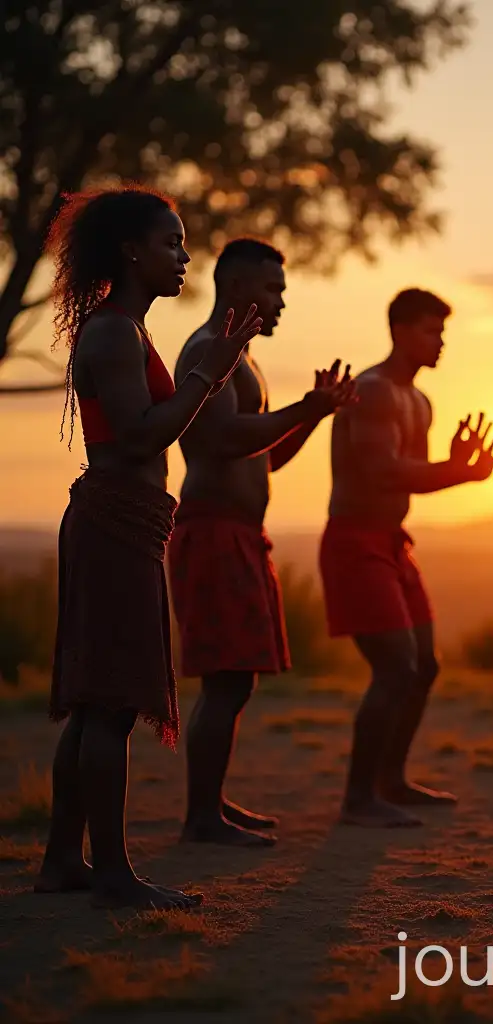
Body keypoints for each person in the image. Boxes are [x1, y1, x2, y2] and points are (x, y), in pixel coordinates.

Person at [35, 185, 264, 910]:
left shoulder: (127, 331)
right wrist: (211, 374)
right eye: (172, 243)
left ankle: (63, 862)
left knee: (97, 704)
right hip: (114, 524)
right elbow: (140, 435)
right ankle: (110, 872)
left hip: (127, 522)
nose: (184, 257)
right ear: (131, 251)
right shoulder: (112, 333)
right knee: (107, 705)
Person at [168, 239, 355, 848]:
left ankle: (210, 803)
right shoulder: (207, 351)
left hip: (242, 534)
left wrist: (314, 414)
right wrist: (305, 405)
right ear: (237, 287)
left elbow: (265, 455)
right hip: (214, 531)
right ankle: (201, 819)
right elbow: (221, 439)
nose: (280, 302)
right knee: (225, 678)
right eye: (271, 289)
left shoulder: (244, 362)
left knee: (235, 678)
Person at [320, 288, 493, 828]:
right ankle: (358, 800)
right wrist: (460, 469)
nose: (440, 342)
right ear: (399, 330)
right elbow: (385, 472)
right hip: (355, 542)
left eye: (442, 332)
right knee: (396, 666)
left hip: (393, 543)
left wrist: (457, 467)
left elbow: (415, 479)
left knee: (424, 665)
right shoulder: (371, 392)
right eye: (431, 331)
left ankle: (390, 781)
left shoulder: (420, 401)